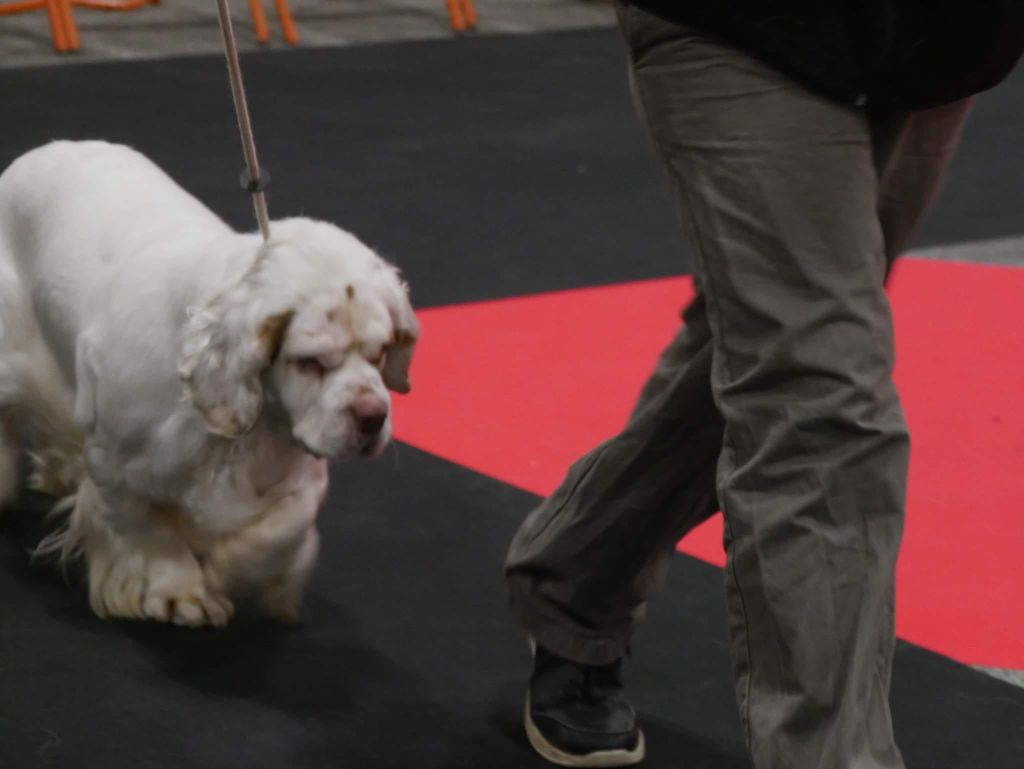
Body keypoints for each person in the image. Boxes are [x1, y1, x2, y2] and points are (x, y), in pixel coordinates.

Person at [504, 2, 1023, 768]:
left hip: (941, 42)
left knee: (770, 347)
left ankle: (579, 574)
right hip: (740, 22)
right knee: (819, 395)